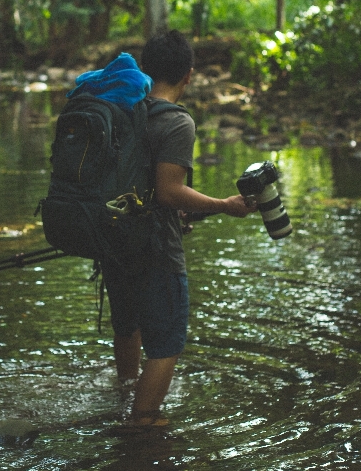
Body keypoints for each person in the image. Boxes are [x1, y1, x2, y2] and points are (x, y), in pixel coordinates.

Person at [102, 30, 255, 429]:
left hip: (114, 243)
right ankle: (144, 422)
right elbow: (170, 192)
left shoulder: (123, 112)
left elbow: (139, 186)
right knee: (167, 344)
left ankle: (124, 394)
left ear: (145, 69)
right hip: (155, 250)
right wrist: (224, 206)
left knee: (128, 325)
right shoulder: (176, 122)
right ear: (188, 75)